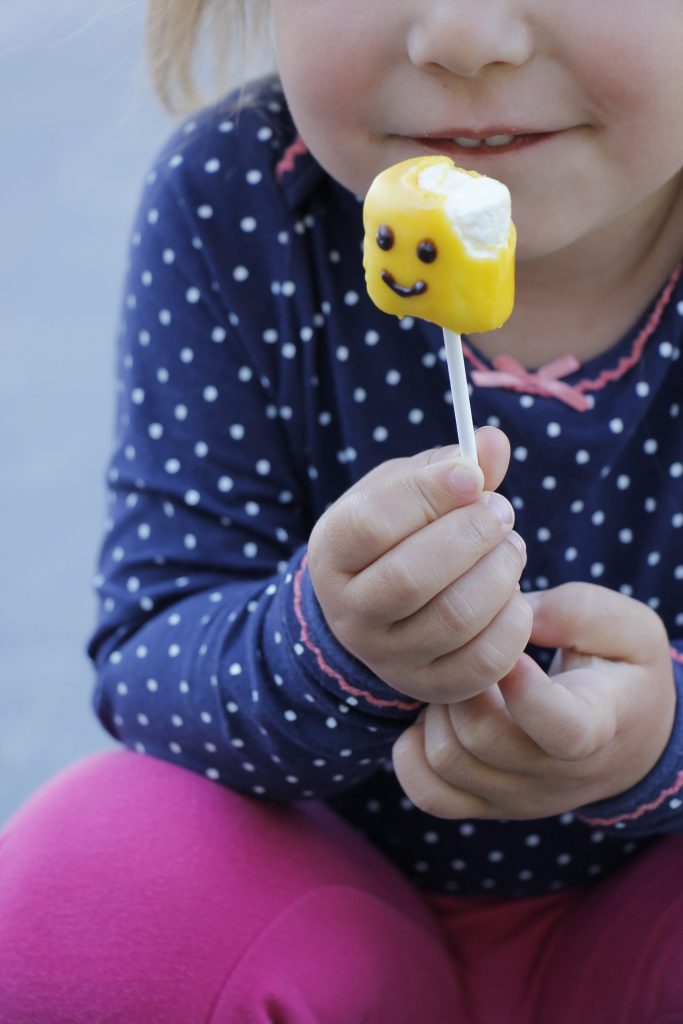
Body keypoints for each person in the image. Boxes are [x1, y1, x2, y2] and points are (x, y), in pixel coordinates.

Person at [2, 1, 683, 1021]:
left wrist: (657, 742)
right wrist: (323, 645)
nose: (460, 35)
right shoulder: (237, 202)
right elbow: (150, 650)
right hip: (314, 910)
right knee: (90, 884)